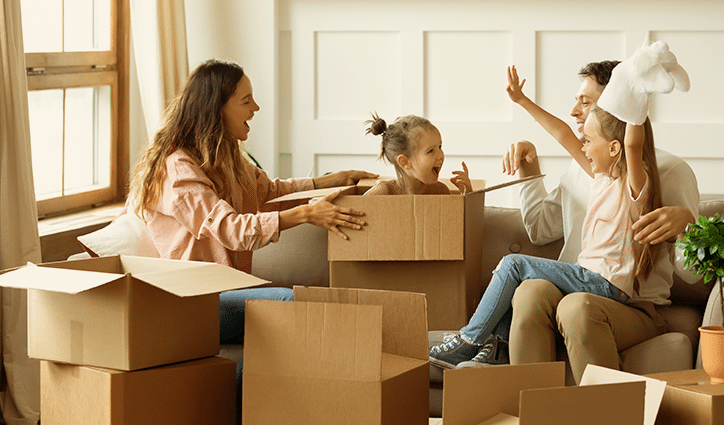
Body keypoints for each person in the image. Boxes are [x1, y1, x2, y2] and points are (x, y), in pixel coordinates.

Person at [125, 58, 377, 412]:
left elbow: (269, 190)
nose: (256, 108)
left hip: (224, 294)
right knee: (295, 306)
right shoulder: (177, 169)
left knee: (296, 324)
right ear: (217, 107)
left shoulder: (225, 154)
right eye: (246, 101)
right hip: (192, 305)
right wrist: (306, 213)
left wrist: (327, 181)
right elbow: (231, 230)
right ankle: (235, 411)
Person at [503, 52, 698, 383]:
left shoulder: (667, 172)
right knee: (531, 290)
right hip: (574, 286)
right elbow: (538, 230)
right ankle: (531, 411)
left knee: (577, 307)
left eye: (585, 102)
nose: (574, 111)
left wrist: (687, 228)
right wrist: (529, 167)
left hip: (631, 305)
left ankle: (607, 413)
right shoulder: (587, 168)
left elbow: (692, 273)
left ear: (615, 108)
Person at [363, 113, 472, 195]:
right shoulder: (383, 193)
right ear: (405, 162)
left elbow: (456, 222)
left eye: (440, 147)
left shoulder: (439, 191)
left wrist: (467, 194)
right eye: (430, 151)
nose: (440, 155)